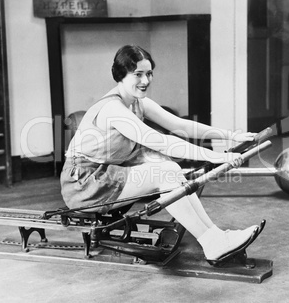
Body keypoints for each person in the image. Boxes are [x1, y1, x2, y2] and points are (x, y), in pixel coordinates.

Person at [61, 45, 259, 262]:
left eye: (149, 73)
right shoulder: (113, 109)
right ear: (120, 75)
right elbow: (161, 142)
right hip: (83, 183)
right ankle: (212, 242)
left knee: (171, 169)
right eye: (138, 74)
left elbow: (179, 124)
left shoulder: (137, 102)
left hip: (105, 174)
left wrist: (232, 136)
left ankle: (215, 237)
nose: (145, 80)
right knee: (164, 173)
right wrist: (217, 156)